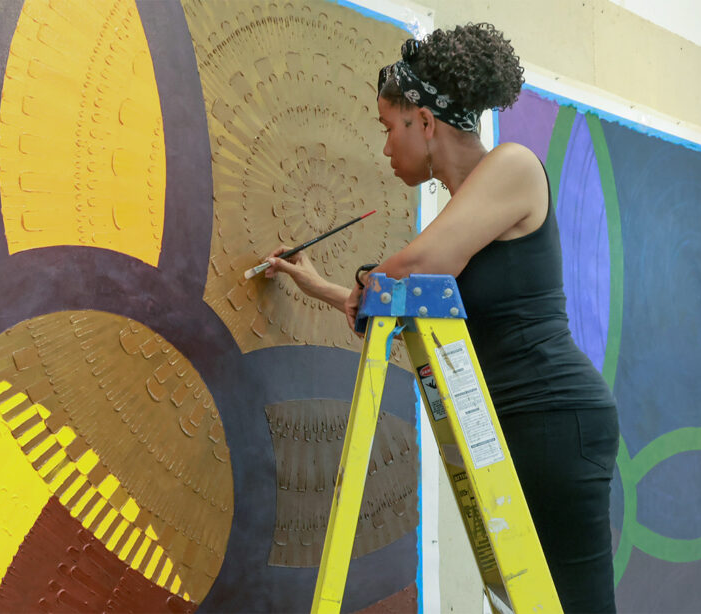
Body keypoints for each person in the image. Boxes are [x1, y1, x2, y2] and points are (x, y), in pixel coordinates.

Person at [264, 23, 619, 613]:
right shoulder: (468, 211)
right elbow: (404, 298)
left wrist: (368, 277)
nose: (385, 147)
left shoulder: (514, 166)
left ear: (424, 122)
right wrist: (323, 285)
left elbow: (424, 263)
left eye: (388, 127)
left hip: (555, 418)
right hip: (514, 426)